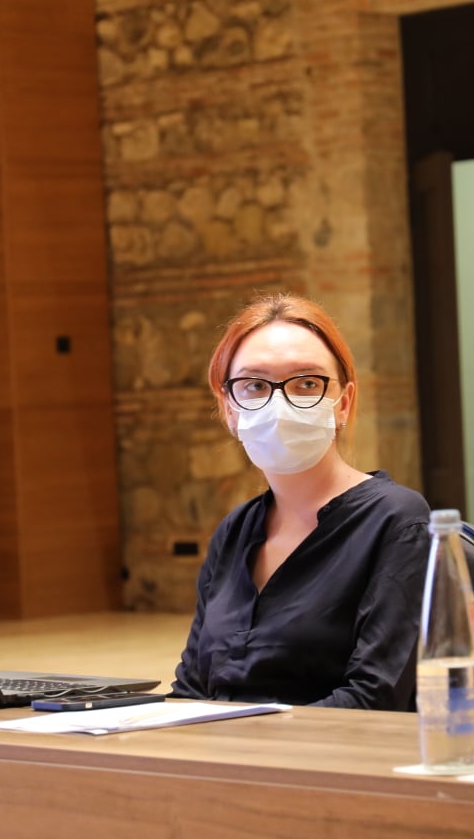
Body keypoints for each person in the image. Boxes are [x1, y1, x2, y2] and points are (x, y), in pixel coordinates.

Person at [172, 294, 431, 710]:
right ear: (229, 409)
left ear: (343, 403)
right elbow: (192, 687)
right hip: (225, 745)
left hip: (327, 748)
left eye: (307, 383)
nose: (279, 404)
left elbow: (374, 697)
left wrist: (249, 739)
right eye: (255, 385)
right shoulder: (235, 530)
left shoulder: (396, 521)